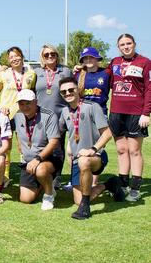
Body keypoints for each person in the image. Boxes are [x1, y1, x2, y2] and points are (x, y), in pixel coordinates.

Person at [57, 77, 126, 219]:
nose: (68, 93)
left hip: (96, 156)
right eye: (64, 92)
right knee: (77, 200)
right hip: (77, 160)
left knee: (84, 162)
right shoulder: (64, 112)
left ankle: (85, 208)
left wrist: (92, 150)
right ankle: (109, 185)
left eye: (71, 89)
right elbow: (59, 132)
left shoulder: (92, 106)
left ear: (78, 89)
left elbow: (107, 133)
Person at [107, 33, 151, 202]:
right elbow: (105, 77)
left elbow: (149, 89)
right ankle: (123, 185)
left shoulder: (145, 62)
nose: (126, 46)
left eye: (129, 43)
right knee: (121, 150)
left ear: (134, 44)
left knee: (134, 150)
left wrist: (146, 113)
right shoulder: (115, 62)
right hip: (117, 112)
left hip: (136, 114)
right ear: (118, 47)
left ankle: (135, 188)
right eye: (122, 44)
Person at [12, 89, 61, 210]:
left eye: (28, 103)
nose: (25, 107)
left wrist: (38, 159)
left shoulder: (49, 115)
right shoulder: (17, 115)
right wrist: (20, 146)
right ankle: (44, 183)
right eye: (21, 104)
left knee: (41, 170)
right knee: (26, 199)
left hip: (49, 158)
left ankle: (49, 194)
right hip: (28, 161)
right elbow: (17, 132)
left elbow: (54, 142)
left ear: (36, 102)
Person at [34, 44, 72, 187]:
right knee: (40, 146)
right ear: (42, 57)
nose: (50, 56)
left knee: (57, 148)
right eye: (46, 55)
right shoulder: (36, 72)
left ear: (57, 55)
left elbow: (74, 90)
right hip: (40, 117)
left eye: (53, 54)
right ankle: (41, 175)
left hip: (59, 116)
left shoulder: (65, 71)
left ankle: (56, 178)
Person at [0, 46, 36, 181]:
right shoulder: (3, 74)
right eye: (11, 57)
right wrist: (0, 107)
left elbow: (33, 93)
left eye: (17, 55)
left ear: (22, 56)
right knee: (6, 145)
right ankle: (5, 175)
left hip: (24, 114)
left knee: (24, 144)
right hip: (7, 114)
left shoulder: (31, 74)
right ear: (8, 60)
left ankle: (27, 173)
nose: (14, 59)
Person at [75, 47, 110, 114]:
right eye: (85, 58)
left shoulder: (106, 72)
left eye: (91, 57)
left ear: (97, 58)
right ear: (83, 60)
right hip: (83, 113)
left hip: (101, 113)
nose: (88, 60)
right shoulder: (77, 74)